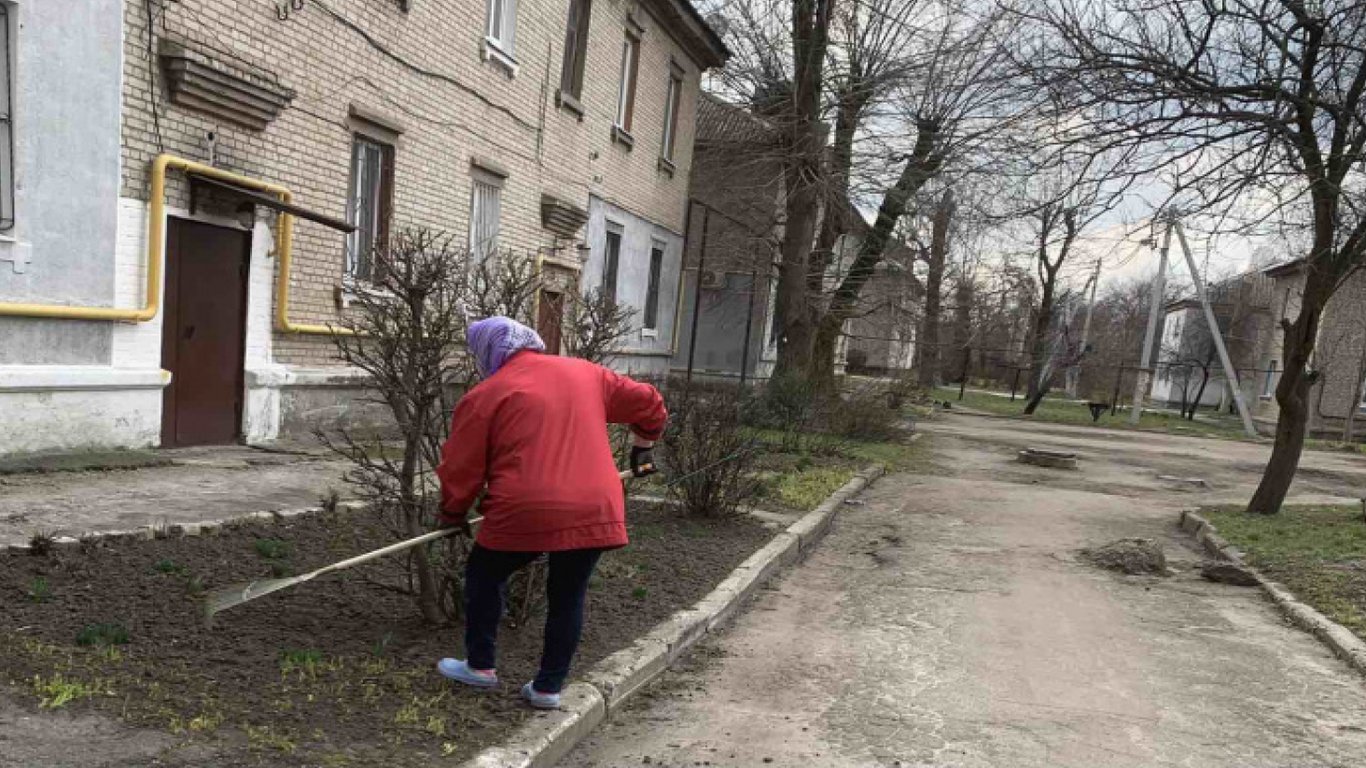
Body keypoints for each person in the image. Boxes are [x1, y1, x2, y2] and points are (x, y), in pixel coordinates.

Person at [434, 316, 666, 709]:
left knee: (484, 575)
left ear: (489, 351)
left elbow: (462, 466)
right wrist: (644, 444)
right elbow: (649, 403)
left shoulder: (487, 393)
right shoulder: (588, 374)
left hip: (525, 508)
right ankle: (548, 689)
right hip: (594, 506)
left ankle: (480, 666)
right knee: (568, 595)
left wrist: (452, 513)